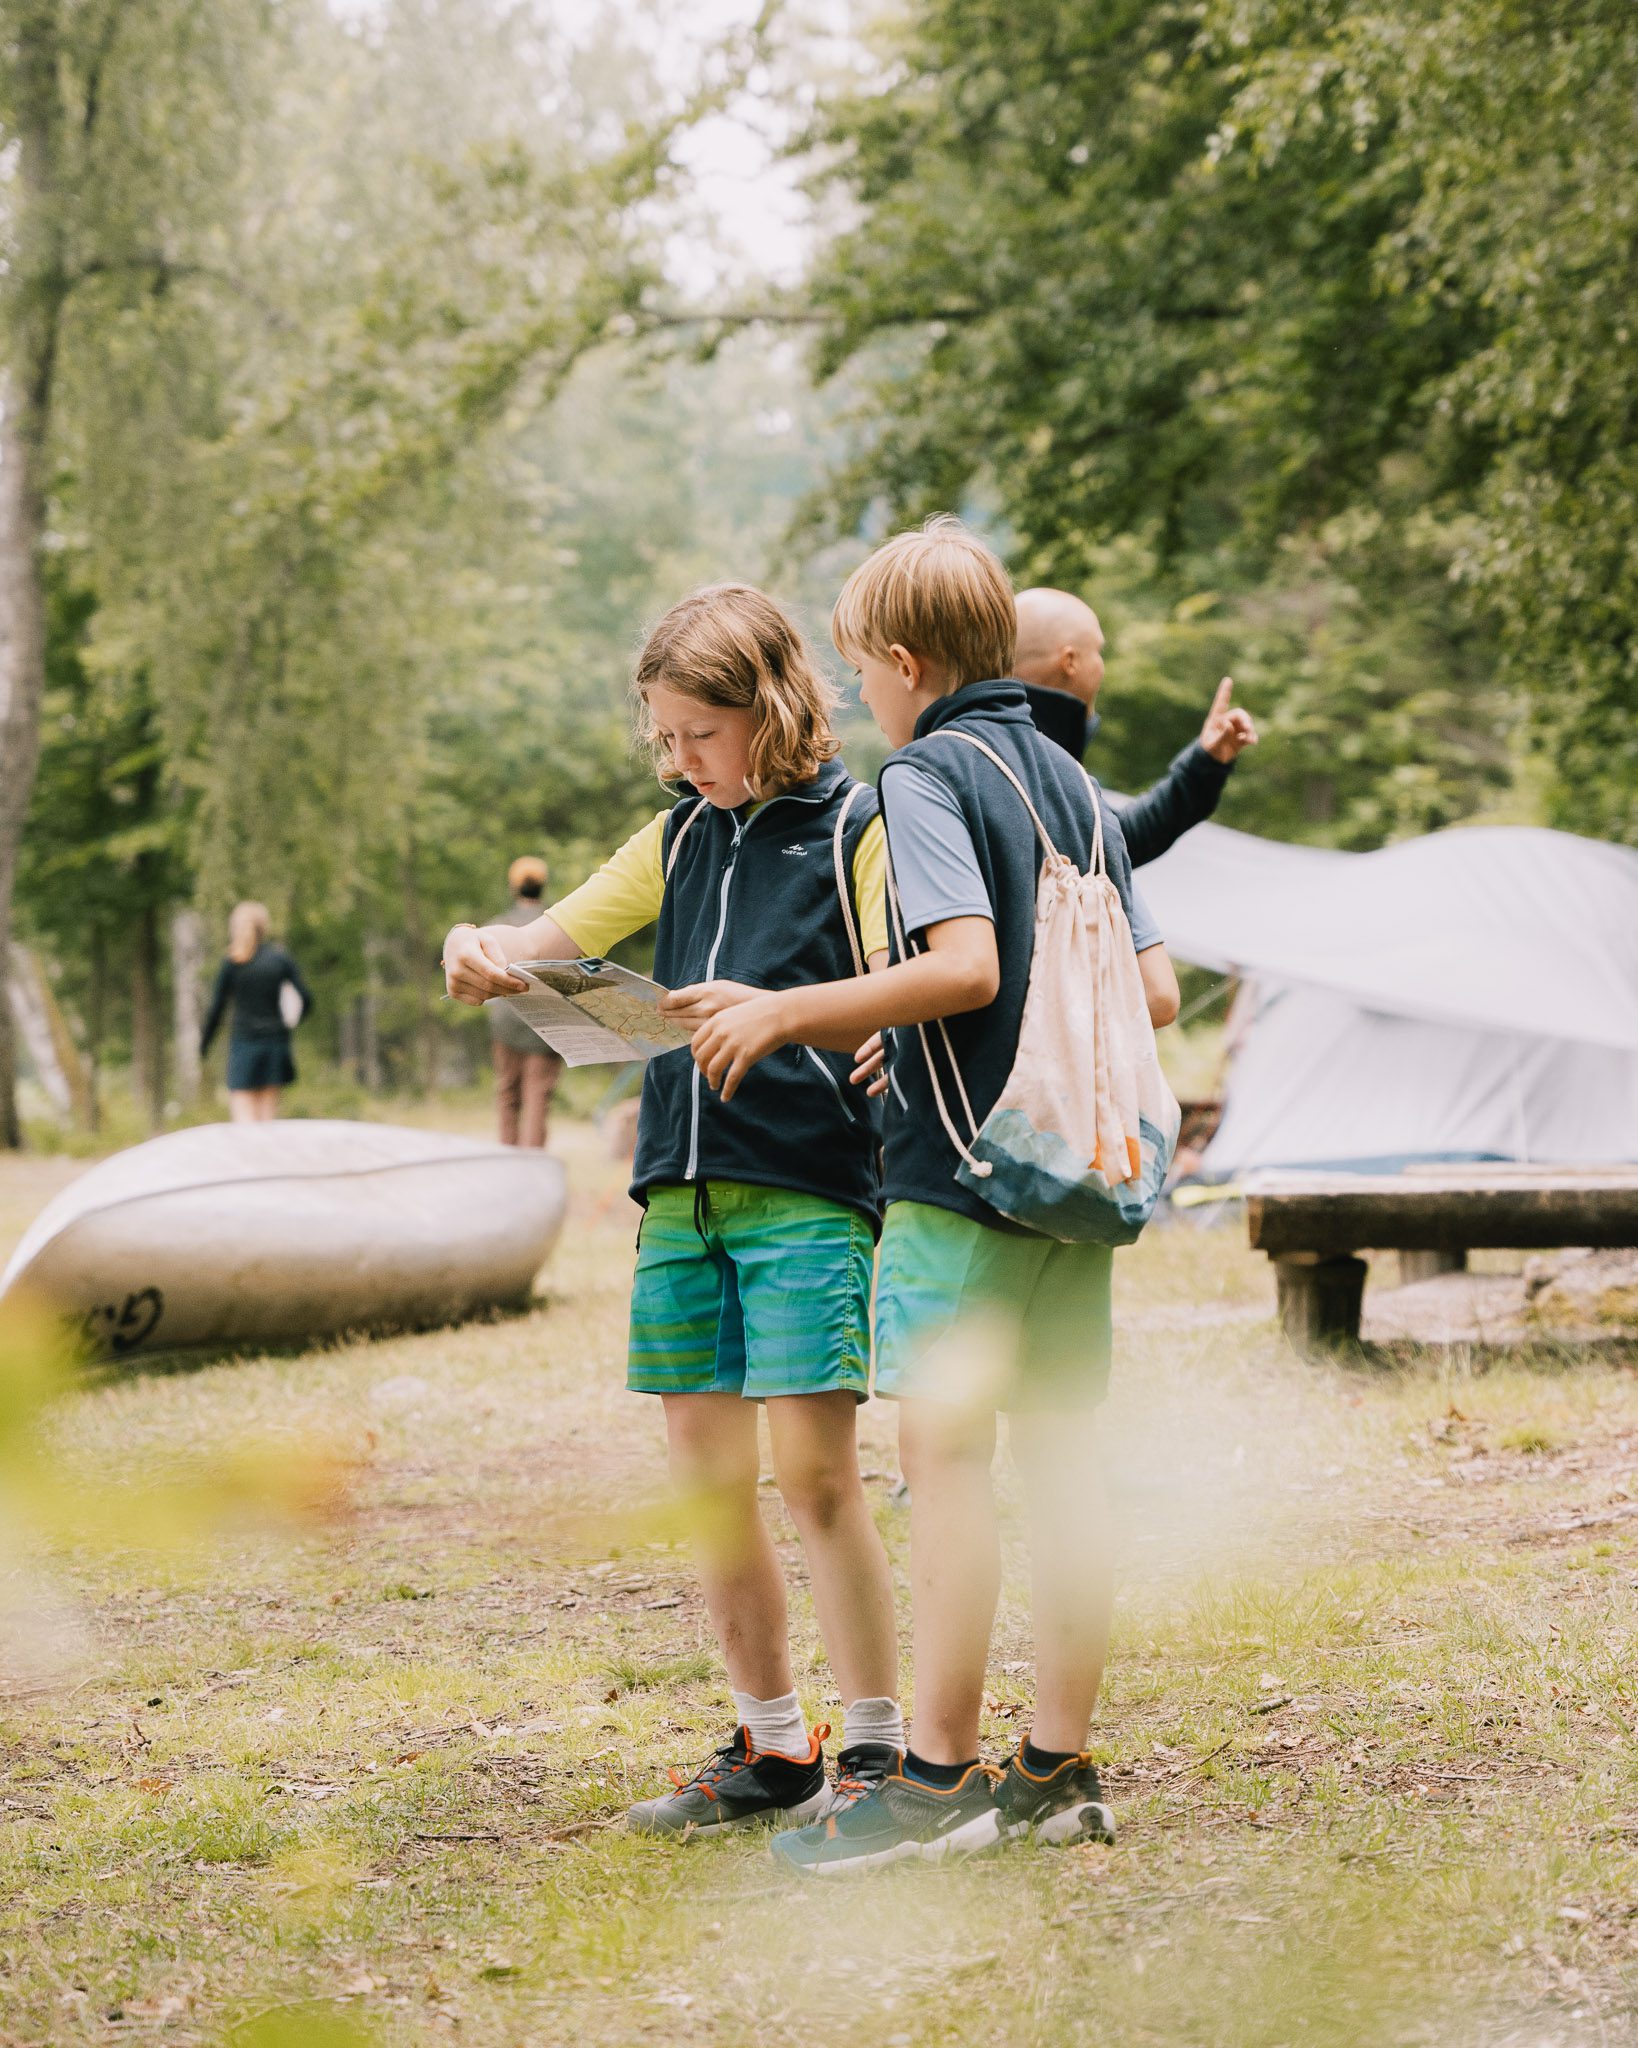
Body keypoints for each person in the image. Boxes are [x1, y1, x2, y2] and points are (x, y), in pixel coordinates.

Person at [680, 519, 1180, 1873]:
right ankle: (1056, 1767)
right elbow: (1151, 992)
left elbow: (961, 966)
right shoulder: (1073, 781)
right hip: (1076, 1182)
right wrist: (905, 1020)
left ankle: (938, 1781)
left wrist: (793, 1012)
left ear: (903, 662)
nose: (860, 698)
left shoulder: (924, 773)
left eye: (860, 670)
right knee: (1068, 1468)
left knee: (948, 1471)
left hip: (962, 1183)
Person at [440, 584, 905, 1834]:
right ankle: (771, 1746)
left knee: (817, 1479)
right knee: (711, 1489)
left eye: (700, 733)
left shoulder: (859, 826)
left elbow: (914, 980)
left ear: (774, 706)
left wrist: (861, 1029)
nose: (678, 758)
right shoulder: (675, 839)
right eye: (663, 736)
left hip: (810, 1193)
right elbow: (540, 940)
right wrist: (476, 942)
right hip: (678, 1206)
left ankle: (874, 1752)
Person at [1012, 586, 1257, 863]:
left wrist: (1206, 763)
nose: (1101, 666)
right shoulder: (1030, 759)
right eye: (1098, 652)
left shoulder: (1025, 748)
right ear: (1070, 662)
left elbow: (1115, 841)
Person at [200, 902, 313, 1124]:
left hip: (244, 1047)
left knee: (244, 1124)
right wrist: (288, 1025)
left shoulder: (233, 963)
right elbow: (306, 1000)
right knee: (267, 1123)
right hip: (275, 1045)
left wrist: (204, 1046)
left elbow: (217, 1010)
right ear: (264, 928)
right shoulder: (280, 960)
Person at [490, 855, 564, 1148]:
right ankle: (533, 1163)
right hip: (545, 1027)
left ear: (513, 887)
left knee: (508, 1094)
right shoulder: (557, 925)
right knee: (537, 1095)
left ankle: (508, 1159)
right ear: (542, 887)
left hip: (506, 1025)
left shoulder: (499, 925)